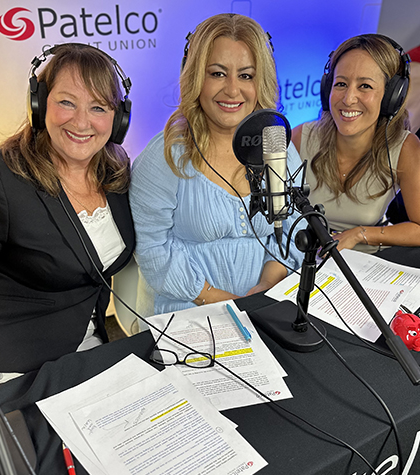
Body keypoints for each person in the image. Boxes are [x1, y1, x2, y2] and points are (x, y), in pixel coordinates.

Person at [0, 43, 135, 391]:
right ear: (39, 103)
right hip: (7, 363)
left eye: (98, 107)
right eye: (66, 102)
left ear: (118, 118)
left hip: (86, 345)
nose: (81, 121)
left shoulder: (116, 173)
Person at [129, 13, 305, 317]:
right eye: (217, 73)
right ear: (195, 76)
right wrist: (226, 302)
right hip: (188, 309)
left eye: (246, 75)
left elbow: (293, 229)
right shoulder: (165, 156)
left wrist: (264, 289)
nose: (233, 90)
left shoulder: (277, 145)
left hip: (265, 302)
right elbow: (154, 252)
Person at [292, 34, 420, 253]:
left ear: (391, 96)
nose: (348, 98)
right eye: (341, 84)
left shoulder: (404, 148)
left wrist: (360, 234)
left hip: (367, 267)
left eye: (365, 86)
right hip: (302, 259)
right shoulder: (300, 138)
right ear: (327, 89)